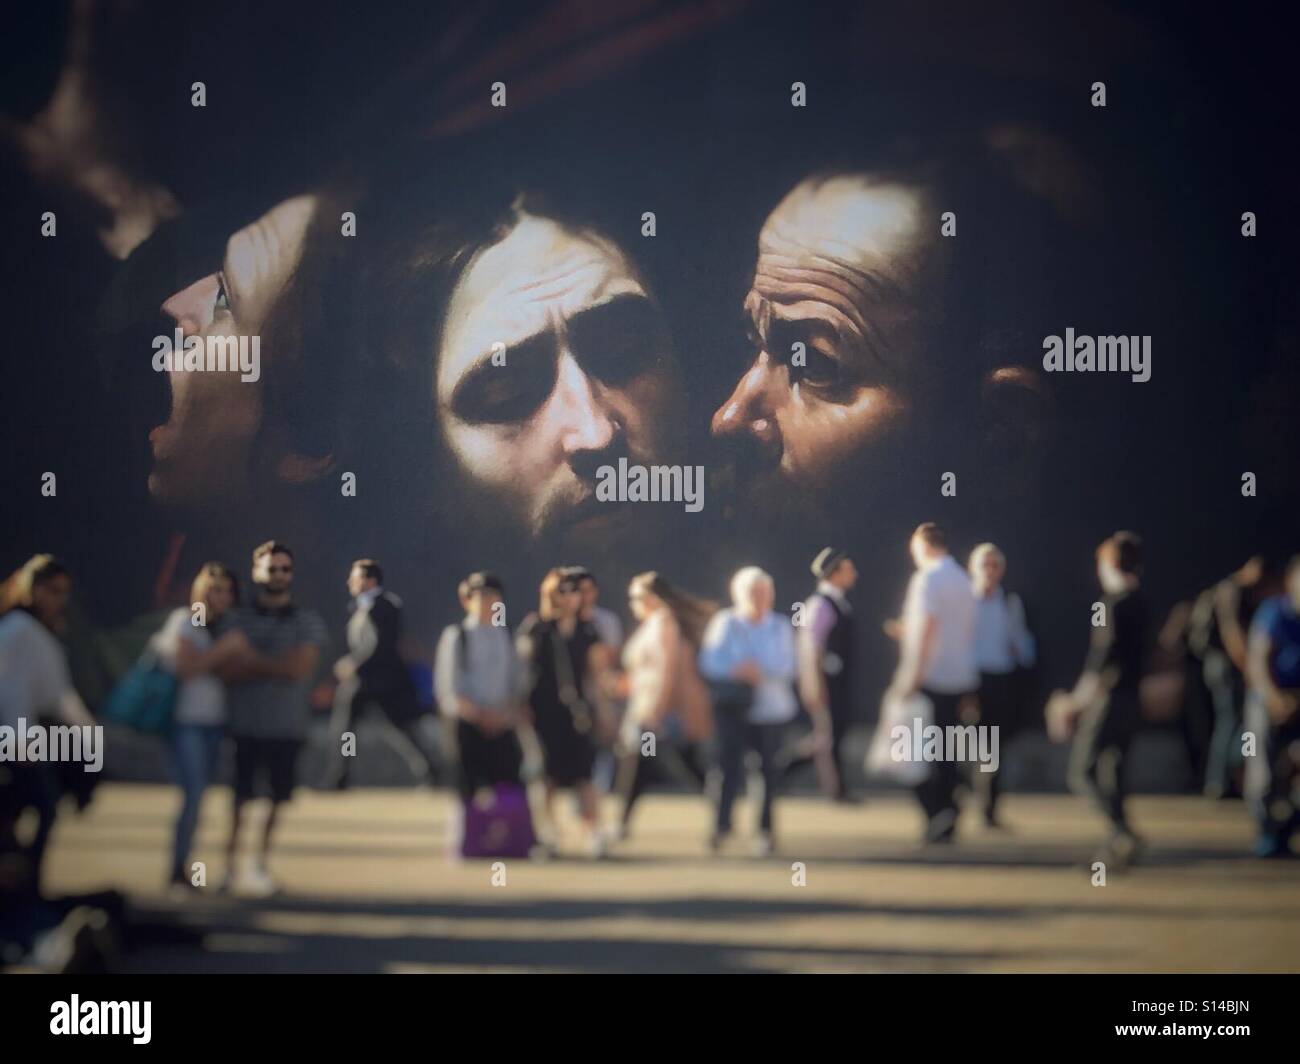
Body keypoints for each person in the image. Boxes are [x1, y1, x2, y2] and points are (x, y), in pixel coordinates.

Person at [217, 541, 327, 895]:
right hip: (245, 724)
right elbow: (226, 670)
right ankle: (228, 868)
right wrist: (273, 666)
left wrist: (251, 661)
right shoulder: (236, 618)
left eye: (284, 569)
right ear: (256, 571)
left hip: (286, 726)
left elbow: (300, 668)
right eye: (271, 568)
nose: (278, 575)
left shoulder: (306, 619)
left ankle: (259, 865)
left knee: (277, 800)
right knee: (239, 799)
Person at [148, 563, 249, 892]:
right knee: (192, 796)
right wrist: (224, 652)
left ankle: (192, 868)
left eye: (227, 591)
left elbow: (232, 674)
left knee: (202, 797)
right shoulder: (185, 621)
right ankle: (176, 869)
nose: (222, 597)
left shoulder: (227, 629)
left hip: (216, 723)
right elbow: (186, 668)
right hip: (186, 723)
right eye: (215, 590)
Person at [1051, 531, 1148, 867]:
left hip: (1111, 699)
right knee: (1114, 770)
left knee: (1082, 772)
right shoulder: (1141, 603)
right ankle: (1119, 840)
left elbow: (1100, 660)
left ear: (1108, 564)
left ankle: (1122, 832)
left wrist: (1074, 703)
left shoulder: (1109, 606)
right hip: (1134, 700)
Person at [0, 556, 96, 890]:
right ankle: (26, 885)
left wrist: (88, 733)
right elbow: (14, 691)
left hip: (29, 735)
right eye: (53, 590)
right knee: (40, 808)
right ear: (34, 590)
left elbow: (60, 695)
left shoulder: (39, 631)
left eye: (64, 592)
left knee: (22, 812)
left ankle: (24, 885)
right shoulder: (19, 630)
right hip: (16, 740)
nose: (60, 599)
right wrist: (20, 744)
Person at [698, 566, 798, 855]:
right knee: (727, 770)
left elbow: (787, 666)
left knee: (767, 773)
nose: (759, 598)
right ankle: (720, 828)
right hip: (733, 711)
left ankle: (765, 832)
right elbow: (709, 662)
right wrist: (736, 671)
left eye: (765, 592)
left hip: (772, 713)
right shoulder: (725, 622)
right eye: (753, 592)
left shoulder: (780, 626)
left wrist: (758, 671)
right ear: (738, 594)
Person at [890, 523, 978, 844]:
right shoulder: (963, 579)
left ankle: (937, 811)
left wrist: (912, 677)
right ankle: (947, 813)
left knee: (908, 751)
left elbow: (928, 627)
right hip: (959, 677)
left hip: (929, 677)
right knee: (945, 751)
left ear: (922, 546)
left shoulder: (926, 579)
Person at [612, 572, 715, 838]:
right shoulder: (655, 623)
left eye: (635, 597)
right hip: (651, 709)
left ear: (650, 598)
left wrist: (655, 710)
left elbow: (666, 669)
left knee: (641, 762)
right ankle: (721, 809)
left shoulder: (663, 623)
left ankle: (621, 822)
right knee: (674, 762)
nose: (632, 603)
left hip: (655, 713)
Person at [516, 568, 611, 855]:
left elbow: (597, 675)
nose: (569, 596)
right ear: (550, 594)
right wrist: (519, 709)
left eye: (574, 590)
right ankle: (548, 835)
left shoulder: (589, 629)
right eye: (562, 591)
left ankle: (594, 833)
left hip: (577, 712)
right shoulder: (536, 627)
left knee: (585, 773)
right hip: (542, 711)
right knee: (546, 775)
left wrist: (605, 711)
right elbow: (521, 671)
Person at [322, 559, 436, 790]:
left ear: (369, 580)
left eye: (354, 578)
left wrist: (354, 665)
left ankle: (430, 769)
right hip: (365, 682)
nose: (350, 582)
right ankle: (340, 773)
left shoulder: (385, 605)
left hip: (383, 681)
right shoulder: (361, 607)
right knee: (348, 730)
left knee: (401, 729)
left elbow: (382, 644)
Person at [1187, 556, 1284, 800]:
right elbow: (1233, 634)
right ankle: (1222, 780)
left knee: (1234, 723)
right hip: (1227, 667)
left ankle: (1228, 778)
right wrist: (1250, 670)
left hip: (1222, 666)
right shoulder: (1231, 590)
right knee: (1234, 723)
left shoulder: (1232, 590)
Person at [434, 572, 526, 802]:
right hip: (467, 725)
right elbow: (448, 688)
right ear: (466, 601)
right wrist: (479, 715)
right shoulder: (457, 636)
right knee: (467, 794)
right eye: (480, 596)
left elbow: (517, 682)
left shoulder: (508, 634)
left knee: (510, 791)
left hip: (503, 725)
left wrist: (504, 714)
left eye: (492, 596)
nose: (486, 602)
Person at [967, 543, 1036, 827]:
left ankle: (989, 810)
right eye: (985, 564)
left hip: (999, 683)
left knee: (993, 750)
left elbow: (1020, 641)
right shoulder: (963, 600)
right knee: (962, 748)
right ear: (974, 568)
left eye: (995, 565)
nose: (990, 571)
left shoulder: (1010, 602)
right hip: (968, 682)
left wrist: (1027, 661)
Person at [1243, 555, 1300, 858]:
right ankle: (1266, 831)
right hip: (1265, 702)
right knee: (1262, 773)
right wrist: (1275, 698)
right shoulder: (1274, 612)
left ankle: (1286, 831)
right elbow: (1259, 661)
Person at [798, 547, 859, 801]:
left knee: (828, 736)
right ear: (834, 574)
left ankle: (776, 769)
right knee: (827, 735)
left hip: (839, 682)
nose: (854, 573)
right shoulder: (820, 605)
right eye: (848, 568)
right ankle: (836, 791)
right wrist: (814, 685)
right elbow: (811, 647)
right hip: (826, 682)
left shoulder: (840, 602)